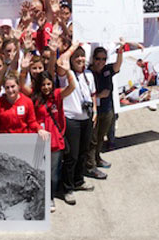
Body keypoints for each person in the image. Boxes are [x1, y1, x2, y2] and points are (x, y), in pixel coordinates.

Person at [31, 65, 76, 212]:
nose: (46, 87)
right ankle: (38, 196)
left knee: (53, 171)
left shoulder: (57, 94)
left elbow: (72, 87)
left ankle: (50, 196)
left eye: (48, 84)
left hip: (55, 140)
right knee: (38, 169)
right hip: (39, 140)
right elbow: (32, 119)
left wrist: (68, 70)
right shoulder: (35, 98)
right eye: (43, 84)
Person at [60, 47, 96, 205]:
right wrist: (74, 45)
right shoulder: (65, 75)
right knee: (71, 155)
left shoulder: (88, 74)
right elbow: (62, 62)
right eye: (77, 57)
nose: (80, 59)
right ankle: (67, 188)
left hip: (86, 118)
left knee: (83, 152)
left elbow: (92, 94)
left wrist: (95, 110)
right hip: (71, 119)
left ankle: (78, 180)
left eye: (82, 56)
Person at [85, 44, 123, 179]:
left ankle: (97, 158)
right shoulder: (88, 72)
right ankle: (90, 166)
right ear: (93, 59)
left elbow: (118, 66)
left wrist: (120, 51)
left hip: (107, 109)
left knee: (101, 137)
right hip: (94, 111)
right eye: (98, 59)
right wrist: (100, 95)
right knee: (92, 140)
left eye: (103, 59)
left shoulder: (107, 69)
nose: (100, 62)